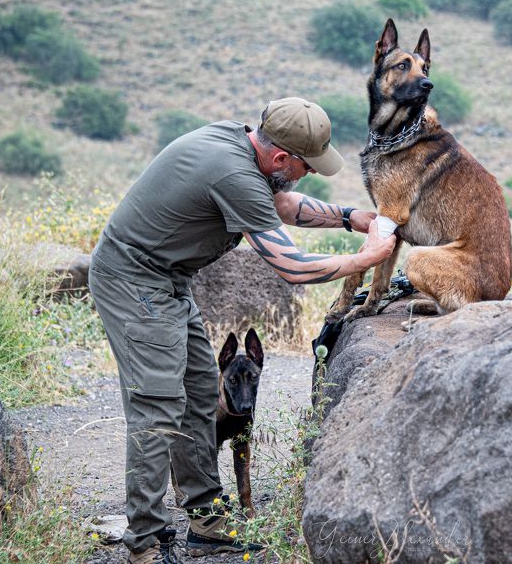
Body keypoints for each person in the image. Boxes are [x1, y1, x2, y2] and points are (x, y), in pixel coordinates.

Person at [87, 97, 396, 563]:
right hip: (134, 281)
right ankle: (147, 541)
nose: (306, 174)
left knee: (198, 393)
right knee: (158, 405)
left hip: (169, 281)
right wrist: (367, 258)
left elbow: (282, 203)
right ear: (279, 158)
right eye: (304, 166)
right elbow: (290, 265)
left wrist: (350, 217)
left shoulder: (242, 146)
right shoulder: (232, 172)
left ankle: (206, 518)